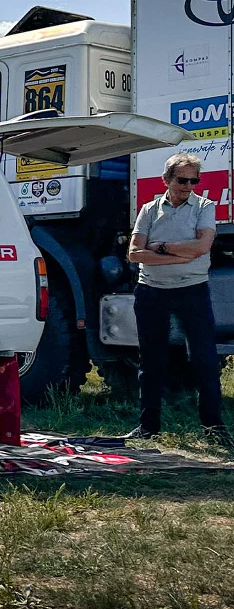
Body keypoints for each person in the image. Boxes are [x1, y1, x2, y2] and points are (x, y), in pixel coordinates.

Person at [126, 152, 227, 440]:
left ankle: (214, 428)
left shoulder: (204, 206)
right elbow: (134, 254)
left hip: (192, 291)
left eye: (194, 180)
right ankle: (149, 429)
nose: (188, 186)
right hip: (151, 291)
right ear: (166, 180)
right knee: (151, 363)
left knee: (205, 361)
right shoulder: (148, 210)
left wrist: (160, 248)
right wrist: (180, 253)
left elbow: (201, 247)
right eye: (182, 180)